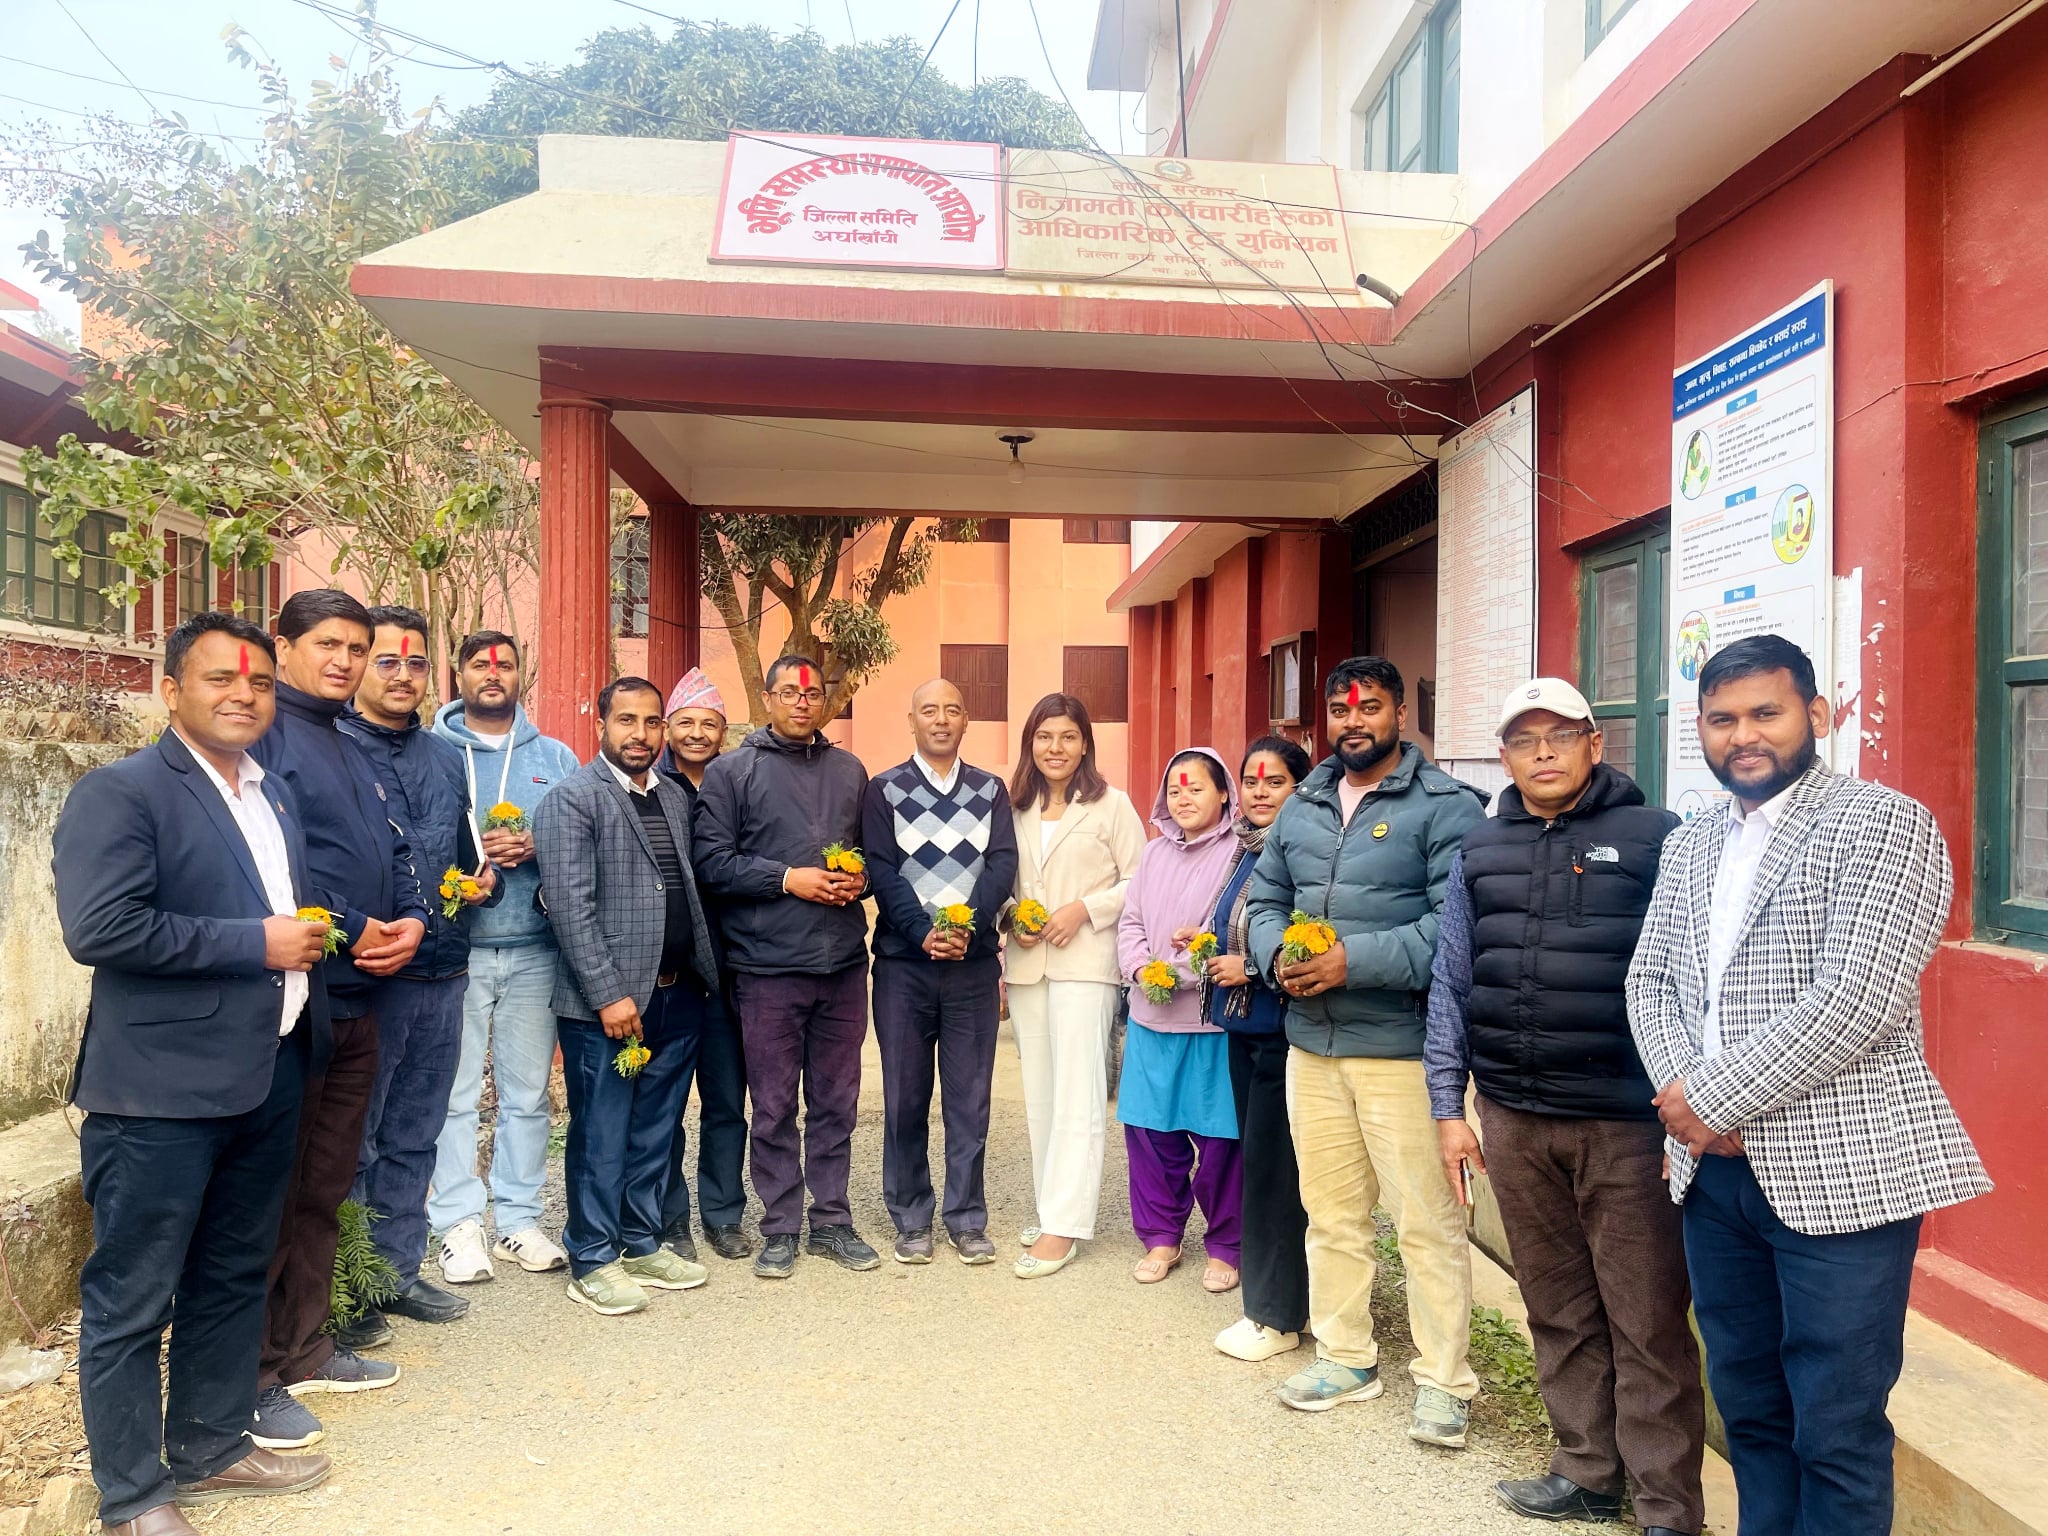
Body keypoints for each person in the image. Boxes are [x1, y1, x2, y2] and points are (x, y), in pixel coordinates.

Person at [1626, 635, 1990, 1536]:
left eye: (1766, 712)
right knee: (1750, 1409)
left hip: (1842, 1174)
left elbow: (1858, 998)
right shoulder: (1692, 841)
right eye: (1722, 718)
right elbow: (1650, 981)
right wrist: (1684, 1100)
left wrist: (1712, 1100)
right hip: (1713, 1178)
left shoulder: (1884, 824)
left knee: (1836, 1428)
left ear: (1818, 715)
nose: (1743, 735)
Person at [53, 614, 334, 1536]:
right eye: (220, 679)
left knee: (232, 1271)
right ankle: (134, 1495)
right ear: (171, 691)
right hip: (160, 1093)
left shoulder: (270, 792)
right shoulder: (122, 791)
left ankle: (212, 1445)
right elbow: (102, 927)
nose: (243, 695)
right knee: (134, 1294)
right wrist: (256, 944)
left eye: (259, 683)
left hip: (266, 1072)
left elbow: (277, 910)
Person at [1428, 679, 1701, 1533]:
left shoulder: (1659, 838)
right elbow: (1452, 981)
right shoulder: (1480, 847)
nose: (1542, 752)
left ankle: (1666, 1506)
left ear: (1595, 744)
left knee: (1646, 1318)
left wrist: (1687, 1103)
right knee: (1557, 1306)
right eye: (1524, 739)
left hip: (1628, 1123)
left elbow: (1694, 975)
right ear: (1504, 756)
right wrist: (1449, 1104)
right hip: (1514, 1117)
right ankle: (1586, 1471)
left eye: (1560, 735)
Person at [1246, 655, 1485, 1448]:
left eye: (1371, 706)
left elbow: (1454, 928)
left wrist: (1353, 961)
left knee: (1425, 1222)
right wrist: (1276, 954)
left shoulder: (1446, 806)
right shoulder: (1304, 805)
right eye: (1342, 710)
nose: (1355, 721)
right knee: (1332, 1214)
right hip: (1310, 1049)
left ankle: (1444, 1380)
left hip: (1400, 1051)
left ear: (1400, 716)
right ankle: (1346, 1357)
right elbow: (1264, 899)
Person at [247, 589, 427, 1451]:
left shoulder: (350, 742)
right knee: (272, 1193)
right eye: (328, 644)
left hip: (362, 997)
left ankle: (305, 1346)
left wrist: (414, 918)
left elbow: (398, 846)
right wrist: (355, 927)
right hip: (296, 1001)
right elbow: (275, 866)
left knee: (325, 1184)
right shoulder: (263, 737)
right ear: (283, 645)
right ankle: (249, 1374)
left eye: (357, 647)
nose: (345, 661)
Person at [532, 677, 721, 1315]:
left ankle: (640, 1242)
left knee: (655, 1130)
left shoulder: (672, 796)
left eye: (651, 722)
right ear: (602, 727)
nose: (640, 735)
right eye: (626, 721)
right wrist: (608, 994)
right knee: (602, 1132)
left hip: (677, 992)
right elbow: (570, 907)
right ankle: (591, 1256)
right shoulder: (572, 800)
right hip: (608, 1006)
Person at [336, 606, 494, 1343]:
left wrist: (483, 881)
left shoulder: (444, 756)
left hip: (446, 968)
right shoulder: (332, 750)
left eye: (417, 663)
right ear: (361, 667)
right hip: (373, 976)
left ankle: (396, 1272)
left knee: (416, 1133)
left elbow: (466, 852)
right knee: (355, 1141)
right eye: (388, 661)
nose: (403, 676)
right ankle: (346, 1289)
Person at [694, 654, 877, 1279]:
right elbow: (711, 863)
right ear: (768, 698)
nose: (803, 701)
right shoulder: (732, 772)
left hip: (843, 965)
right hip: (767, 967)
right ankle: (779, 1226)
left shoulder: (850, 771)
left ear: (825, 701)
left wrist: (859, 880)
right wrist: (786, 879)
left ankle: (832, 1221)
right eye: (790, 692)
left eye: (813, 693)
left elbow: (872, 855)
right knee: (773, 1106)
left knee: (836, 1102)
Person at [429, 631, 581, 1283]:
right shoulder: (431, 751)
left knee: (526, 1096)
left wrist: (538, 844)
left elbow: (584, 838)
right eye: (480, 664)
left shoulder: (555, 757)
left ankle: (518, 1220)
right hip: (455, 953)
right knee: (455, 1094)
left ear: (522, 674)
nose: (493, 674)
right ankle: (457, 1224)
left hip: (535, 949)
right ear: (458, 672)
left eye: (506, 664)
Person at [861, 678, 1020, 1265]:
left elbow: (1001, 863)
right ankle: (910, 1216)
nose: (941, 719)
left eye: (953, 709)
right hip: (904, 967)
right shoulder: (884, 790)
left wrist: (967, 928)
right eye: (929, 709)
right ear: (912, 720)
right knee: (904, 1097)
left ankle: (966, 1218)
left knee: (969, 1101)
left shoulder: (991, 790)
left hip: (972, 968)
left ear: (966, 720)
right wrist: (921, 931)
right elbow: (882, 870)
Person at [1004, 693, 1146, 1280]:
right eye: (1044, 737)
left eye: (1067, 736)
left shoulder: (1112, 805)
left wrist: (1084, 909)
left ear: (1085, 743)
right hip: (1027, 964)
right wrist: (1011, 915)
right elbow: (1000, 880)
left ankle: (1065, 1226)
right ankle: (1050, 1208)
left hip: (1085, 963)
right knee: (1041, 1093)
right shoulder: (1013, 807)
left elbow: (1140, 879)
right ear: (1030, 744)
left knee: (1079, 1094)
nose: (1055, 748)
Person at [1115, 748, 1244, 1291]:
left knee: (1220, 1141)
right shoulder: (1152, 854)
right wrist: (1140, 969)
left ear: (1224, 793)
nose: (1183, 798)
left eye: (1196, 787)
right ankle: (1161, 1236)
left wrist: (1180, 974)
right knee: (1150, 1135)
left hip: (1211, 1021)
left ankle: (1226, 1244)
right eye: (1174, 789)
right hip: (1150, 1017)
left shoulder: (1241, 852)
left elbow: (1233, 930)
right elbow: (1130, 922)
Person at [1203, 736, 1312, 1362]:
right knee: (1265, 1168)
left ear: (1301, 787)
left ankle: (1275, 1316)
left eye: (1275, 781)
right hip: (1244, 1030)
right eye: (1251, 781)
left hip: (1282, 1029)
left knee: (1276, 1174)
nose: (1260, 792)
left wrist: (1250, 966)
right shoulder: (1247, 848)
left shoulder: (1302, 850)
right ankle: (1290, 1301)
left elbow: (1310, 934)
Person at [653, 666, 753, 1262]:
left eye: (708, 724)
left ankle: (723, 1214)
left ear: (723, 731)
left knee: (725, 1103)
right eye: (685, 722)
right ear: (668, 728)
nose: (696, 733)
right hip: (669, 973)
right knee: (663, 1107)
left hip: (728, 969)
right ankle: (669, 1219)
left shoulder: (737, 782)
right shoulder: (647, 785)